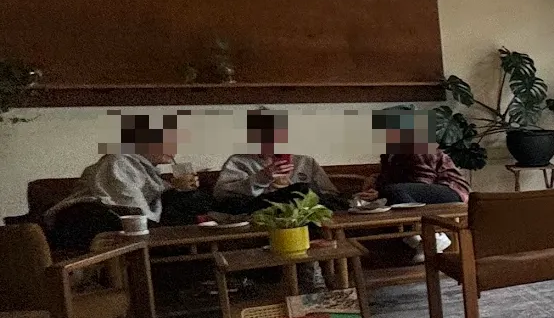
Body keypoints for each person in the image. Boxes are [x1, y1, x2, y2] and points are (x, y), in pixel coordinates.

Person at [42, 114, 190, 254]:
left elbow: (155, 201)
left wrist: (177, 189)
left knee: (189, 202)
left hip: (119, 216)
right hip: (86, 219)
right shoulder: (119, 161)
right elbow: (126, 202)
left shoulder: (149, 171)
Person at [209, 110, 339, 209]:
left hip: (306, 217)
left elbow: (330, 194)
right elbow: (221, 195)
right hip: (260, 215)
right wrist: (262, 178)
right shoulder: (239, 162)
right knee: (299, 190)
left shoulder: (306, 162)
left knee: (303, 190)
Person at [370, 108, 469, 205]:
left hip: (450, 189)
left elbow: (425, 180)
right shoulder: (389, 153)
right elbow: (388, 179)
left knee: (393, 191)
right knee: (390, 192)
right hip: (416, 190)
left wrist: (382, 193)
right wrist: (374, 185)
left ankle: (416, 218)